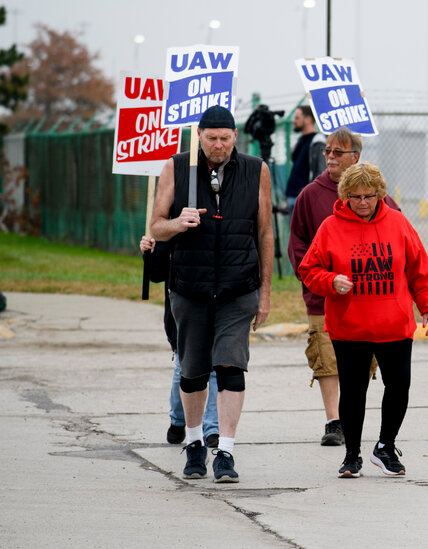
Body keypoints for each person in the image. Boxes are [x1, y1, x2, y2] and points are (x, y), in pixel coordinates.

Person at [150, 105, 274, 483]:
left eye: (225, 138)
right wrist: (178, 222)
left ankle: (226, 452)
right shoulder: (177, 167)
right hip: (190, 287)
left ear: (235, 136)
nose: (218, 145)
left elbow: (265, 233)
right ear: (199, 135)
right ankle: (193, 445)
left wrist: (265, 293)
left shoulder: (256, 170)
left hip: (239, 288)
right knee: (192, 372)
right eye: (211, 138)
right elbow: (156, 227)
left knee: (232, 368)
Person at [298, 161, 428, 479]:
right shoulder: (331, 227)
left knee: (399, 385)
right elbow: (310, 270)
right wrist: (332, 281)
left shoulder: (398, 224)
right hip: (350, 325)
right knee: (353, 390)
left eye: (369, 196)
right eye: (356, 196)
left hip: (394, 323)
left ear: (380, 194)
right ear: (345, 195)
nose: (362, 202)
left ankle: (385, 447)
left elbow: (418, 269)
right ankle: (352, 456)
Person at [288, 128, 401, 446]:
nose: (331, 157)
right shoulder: (311, 194)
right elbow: (298, 244)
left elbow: (396, 235)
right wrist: (314, 281)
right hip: (322, 297)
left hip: (367, 301)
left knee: (359, 361)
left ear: (356, 157)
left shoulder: (376, 196)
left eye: (339, 152)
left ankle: (353, 415)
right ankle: (333, 421)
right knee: (326, 358)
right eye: (327, 151)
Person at [139, 236, 219, 448]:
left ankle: (212, 428)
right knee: (185, 368)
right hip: (183, 311)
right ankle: (178, 420)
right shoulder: (175, 227)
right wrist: (150, 252)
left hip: (217, 304)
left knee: (215, 368)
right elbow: (156, 273)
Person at [285, 105, 327, 211]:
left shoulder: (318, 141)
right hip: (292, 196)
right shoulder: (299, 141)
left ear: (308, 119)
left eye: (297, 118)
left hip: (305, 198)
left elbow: (320, 170)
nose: (294, 121)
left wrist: (311, 194)